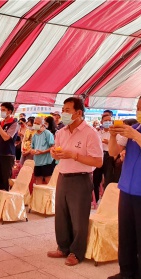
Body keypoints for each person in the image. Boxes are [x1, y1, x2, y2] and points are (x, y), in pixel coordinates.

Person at [106, 90, 141, 279]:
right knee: (126, 234)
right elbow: (113, 153)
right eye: (138, 108)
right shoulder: (133, 129)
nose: (139, 112)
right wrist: (112, 135)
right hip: (126, 188)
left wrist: (136, 135)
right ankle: (126, 272)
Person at [46, 97, 103, 266]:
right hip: (63, 176)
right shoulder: (61, 132)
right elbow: (56, 152)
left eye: (67, 110)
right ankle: (62, 247)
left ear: (79, 113)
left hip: (80, 178)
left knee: (78, 219)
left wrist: (74, 155)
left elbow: (98, 162)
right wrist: (53, 153)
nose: (64, 113)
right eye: (63, 110)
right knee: (61, 215)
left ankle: (76, 252)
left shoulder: (90, 133)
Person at [0, 103, 21, 191]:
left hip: (8, 154)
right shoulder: (1, 123)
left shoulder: (14, 124)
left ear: (9, 111)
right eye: (1, 110)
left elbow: (6, 137)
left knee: (6, 178)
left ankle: (7, 199)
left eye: (3, 110)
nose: (1, 112)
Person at [93, 110, 116, 203]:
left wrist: (109, 142)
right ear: (102, 122)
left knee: (108, 178)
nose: (108, 122)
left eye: (109, 120)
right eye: (106, 121)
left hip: (109, 156)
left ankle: (107, 200)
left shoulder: (114, 133)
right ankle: (96, 199)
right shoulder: (97, 132)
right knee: (96, 179)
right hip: (99, 155)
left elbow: (118, 145)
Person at [28, 116, 56, 189]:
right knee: (38, 181)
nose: (36, 124)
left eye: (38, 123)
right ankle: (39, 198)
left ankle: (49, 199)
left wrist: (43, 151)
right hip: (37, 162)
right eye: (35, 123)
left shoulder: (47, 133)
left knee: (48, 181)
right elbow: (32, 147)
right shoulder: (34, 135)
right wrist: (32, 151)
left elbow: (53, 146)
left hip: (47, 162)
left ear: (42, 125)